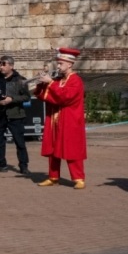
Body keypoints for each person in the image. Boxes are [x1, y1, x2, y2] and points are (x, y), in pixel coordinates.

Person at [35, 48, 86, 189]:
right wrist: (41, 83)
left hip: (70, 120)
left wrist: (51, 83)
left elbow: (65, 97)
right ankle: (53, 176)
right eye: (57, 63)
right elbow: (46, 97)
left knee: (72, 148)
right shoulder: (58, 80)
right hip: (54, 119)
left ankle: (79, 178)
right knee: (52, 148)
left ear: (69, 64)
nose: (58, 66)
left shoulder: (76, 80)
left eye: (60, 63)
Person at [0, 56, 31, 175]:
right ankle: (1, 164)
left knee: (19, 141)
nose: (1, 66)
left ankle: (23, 165)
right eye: (0, 64)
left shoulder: (20, 80)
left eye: (4, 64)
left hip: (15, 114)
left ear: (11, 66)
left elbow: (26, 97)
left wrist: (12, 99)